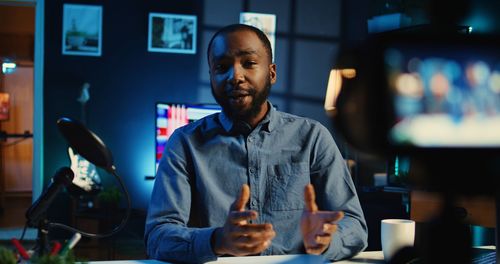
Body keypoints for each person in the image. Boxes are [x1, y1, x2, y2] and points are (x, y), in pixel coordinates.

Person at [145, 24, 368, 263]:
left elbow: (354, 225)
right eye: (221, 67)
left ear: (271, 73)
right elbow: (158, 236)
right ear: (211, 77)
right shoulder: (184, 144)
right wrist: (217, 240)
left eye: (249, 63)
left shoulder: (313, 137)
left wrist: (326, 241)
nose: (235, 77)